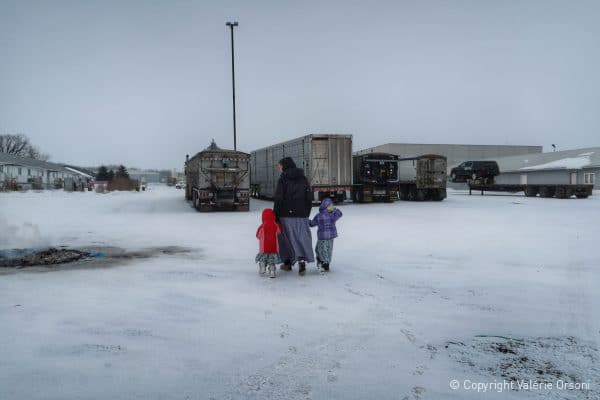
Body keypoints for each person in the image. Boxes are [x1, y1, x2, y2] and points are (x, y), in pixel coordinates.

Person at [274, 157, 314, 276]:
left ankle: (287, 263)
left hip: (285, 214)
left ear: (284, 166)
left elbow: (279, 198)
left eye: (280, 166)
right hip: (301, 214)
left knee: (285, 239)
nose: (279, 168)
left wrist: (275, 214)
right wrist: (306, 212)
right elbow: (309, 197)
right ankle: (301, 260)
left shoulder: (283, 179)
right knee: (301, 237)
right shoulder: (303, 178)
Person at [309, 198, 342, 271]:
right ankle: (326, 262)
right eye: (330, 206)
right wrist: (335, 210)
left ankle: (323, 262)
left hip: (322, 237)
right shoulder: (333, 215)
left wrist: (307, 222)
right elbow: (340, 213)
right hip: (330, 236)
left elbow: (312, 223)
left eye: (332, 205)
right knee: (328, 249)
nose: (332, 207)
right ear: (325, 207)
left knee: (320, 249)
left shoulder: (319, 215)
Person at [255, 208, 280, 278]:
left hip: (264, 248)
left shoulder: (262, 226)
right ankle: (272, 271)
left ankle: (262, 267)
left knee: (263, 258)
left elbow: (257, 235)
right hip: (273, 247)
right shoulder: (276, 225)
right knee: (271, 260)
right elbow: (279, 232)